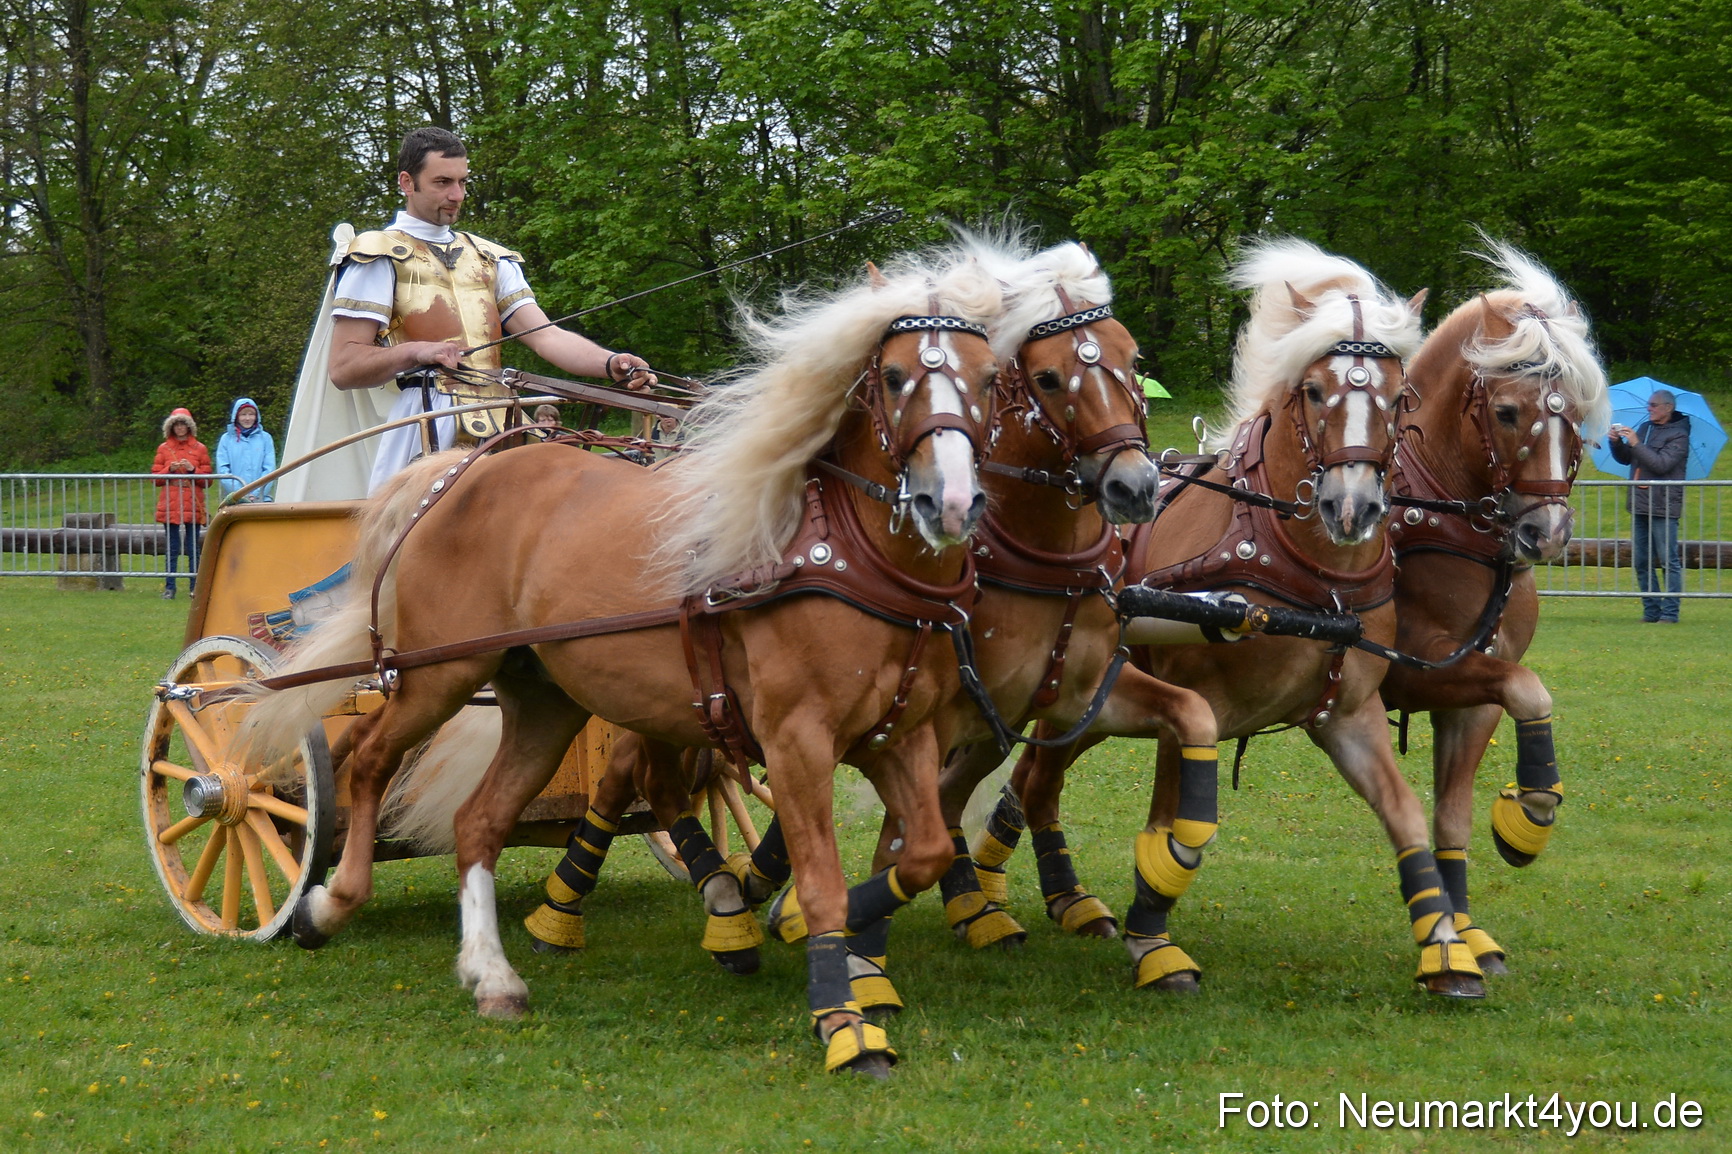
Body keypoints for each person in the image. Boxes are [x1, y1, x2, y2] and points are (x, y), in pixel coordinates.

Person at [328, 126, 654, 492]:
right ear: (407, 182)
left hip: (504, 419)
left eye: (463, 182)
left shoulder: (490, 258)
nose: (457, 195)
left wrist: (610, 364)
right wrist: (416, 351)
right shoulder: (377, 254)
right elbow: (344, 366)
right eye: (442, 182)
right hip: (427, 421)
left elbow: (547, 337)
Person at [1608, 388, 1691, 623]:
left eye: (1654, 405)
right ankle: (1651, 610)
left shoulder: (1679, 436)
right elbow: (1628, 459)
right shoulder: (1645, 429)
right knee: (1641, 561)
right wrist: (1618, 443)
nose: (1649, 408)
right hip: (1639, 504)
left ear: (1668, 408)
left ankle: (1670, 612)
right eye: (1649, 404)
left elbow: (1661, 464)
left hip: (1664, 506)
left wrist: (1635, 443)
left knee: (1668, 561)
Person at [151, 407, 213, 599]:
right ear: (171, 427)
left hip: (193, 505)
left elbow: (208, 480)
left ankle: (195, 587)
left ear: (189, 427)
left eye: (183, 424)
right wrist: (169, 468)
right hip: (170, 506)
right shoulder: (163, 449)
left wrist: (192, 469)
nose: (180, 428)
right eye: (176, 424)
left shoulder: (200, 448)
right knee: (172, 548)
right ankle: (170, 587)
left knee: (193, 548)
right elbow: (154, 478)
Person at [215, 397, 277, 502]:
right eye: (243, 414)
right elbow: (223, 470)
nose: (247, 418)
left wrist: (257, 493)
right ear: (236, 416)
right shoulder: (226, 439)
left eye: (251, 414)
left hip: (262, 499)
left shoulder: (265, 438)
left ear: (256, 416)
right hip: (234, 499)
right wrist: (240, 494)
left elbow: (269, 469)